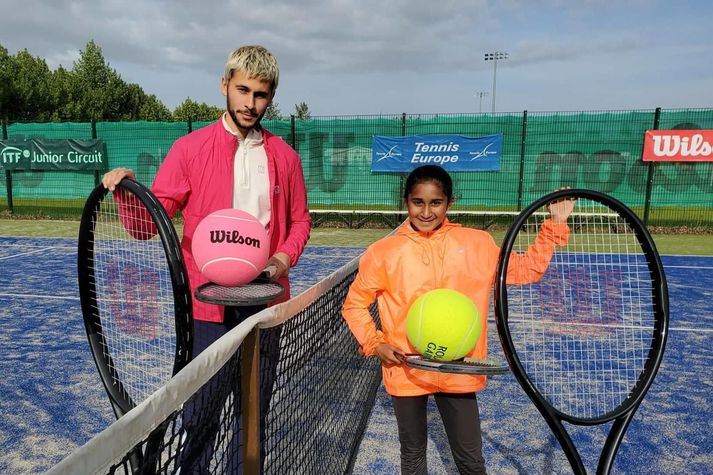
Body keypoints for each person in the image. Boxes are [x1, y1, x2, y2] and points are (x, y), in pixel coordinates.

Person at [102, 45, 311, 473]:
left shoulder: (285, 157)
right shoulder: (190, 149)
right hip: (205, 311)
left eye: (262, 95)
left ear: (271, 97)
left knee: (251, 421)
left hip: (264, 307)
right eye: (243, 90)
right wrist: (129, 192)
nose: (251, 104)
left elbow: (299, 222)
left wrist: (283, 260)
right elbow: (146, 225)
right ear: (224, 86)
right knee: (199, 420)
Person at [342, 165, 574, 474]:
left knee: (470, 460)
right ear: (406, 201)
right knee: (412, 455)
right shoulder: (383, 252)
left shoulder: (478, 243)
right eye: (417, 202)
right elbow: (354, 306)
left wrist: (555, 222)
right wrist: (376, 343)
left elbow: (527, 269)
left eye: (435, 203)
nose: (426, 212)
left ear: (449, 203)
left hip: (458, 369)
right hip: (405, 369)